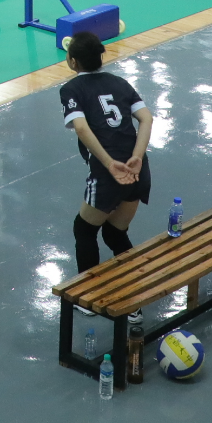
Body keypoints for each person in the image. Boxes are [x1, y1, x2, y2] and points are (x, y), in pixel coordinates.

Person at [59, 29, 154, 278]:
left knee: (84, 230)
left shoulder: (71, 89)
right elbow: (146, 118)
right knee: (114, 233)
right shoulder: (119, 82)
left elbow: (81, 127)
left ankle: (85, 292)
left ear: (73, 62)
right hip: (138, 171)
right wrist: (137, 156)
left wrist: (110, 163)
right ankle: (136, 290)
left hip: (107, 175)